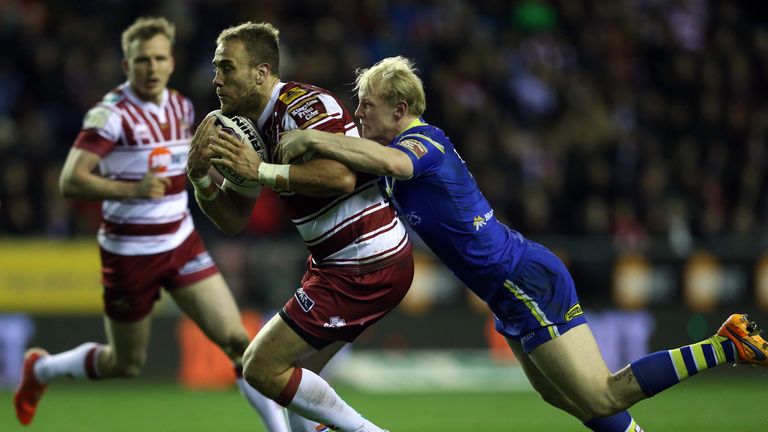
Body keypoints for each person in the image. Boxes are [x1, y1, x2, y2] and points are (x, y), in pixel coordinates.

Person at [275, 56, 768, 431]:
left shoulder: (422, 142)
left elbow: (396, 166)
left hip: (521, 277)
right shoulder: (392, 153)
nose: (357, 113)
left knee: (600, 397)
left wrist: (316, 141)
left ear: (400, 110)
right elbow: (352, 176)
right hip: (509, 286)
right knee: (564, 400)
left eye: (367, 105)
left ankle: (724, 345)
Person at [12, 17, 288, 432]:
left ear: (171, 62)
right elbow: (71, 179)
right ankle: (42, 369)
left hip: (180, 243)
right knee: (124, 363)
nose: (152, 67)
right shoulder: (111, 115)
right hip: (130, 253)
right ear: (127, 65)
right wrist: (133, 190)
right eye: (142, 60)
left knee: (239, 344)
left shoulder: (180, 106)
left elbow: (185, 168)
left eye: (159, 58)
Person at [186, 22, 413, 432]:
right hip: (336, 265)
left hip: (364, 260)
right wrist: (202, 180)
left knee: (259, 367)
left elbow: (339, 177)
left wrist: (263, 170)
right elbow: (234, 220)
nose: (216, 79)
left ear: (261, 72)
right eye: (215, 68)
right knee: (295, 387)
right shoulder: (250, 128)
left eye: (226, 67)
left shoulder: (303, 105)